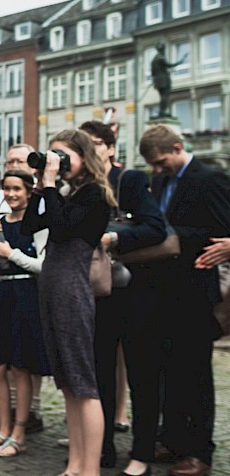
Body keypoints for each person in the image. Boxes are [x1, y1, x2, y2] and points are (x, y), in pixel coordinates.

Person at [140, 125, 230, 476]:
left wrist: (174, 237)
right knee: (168, 372)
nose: (158, 170)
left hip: (194, 289)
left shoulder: (210, 179)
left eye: (161, 162)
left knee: (195, 375)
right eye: (154, 166)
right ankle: (173, 440)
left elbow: (220, 232)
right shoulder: (160, 181)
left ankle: (199, 452)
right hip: (163, 291)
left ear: (177, 148)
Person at [25, 128, 113, 476]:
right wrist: (39, 185)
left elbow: (60, 230)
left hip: (72, 291)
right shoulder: (68, 193)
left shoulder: (94, 195)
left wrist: (49, 185)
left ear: (83, 156)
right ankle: (75, 466)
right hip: (53, 287)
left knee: (83, 384)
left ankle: (89, 469)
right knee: (67, 384)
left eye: (63, 156)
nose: (57, 163)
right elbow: (32, 223)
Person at [80, 120, 166, 473]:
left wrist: (113, 239)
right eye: (85, 145)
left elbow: (156, 227)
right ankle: (103, 449)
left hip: (135, 291)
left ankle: (141, 452)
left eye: (97, 144)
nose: (92, 150)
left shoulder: (128, 180)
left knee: (142, 373)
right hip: (98, 292)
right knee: (100, 372)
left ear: (111, 148)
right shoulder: (83, 188)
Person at [0, 170, 50, 458]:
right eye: (6, 189)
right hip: (1, 295)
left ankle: (20, 432)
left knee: (21, 365)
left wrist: (12, 253)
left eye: (17, 188)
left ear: (29, 192)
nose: (11, 194)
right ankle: (3, 429)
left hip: (26, 296)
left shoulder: (38, 225)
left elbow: (43, 265)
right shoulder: (0, 223)